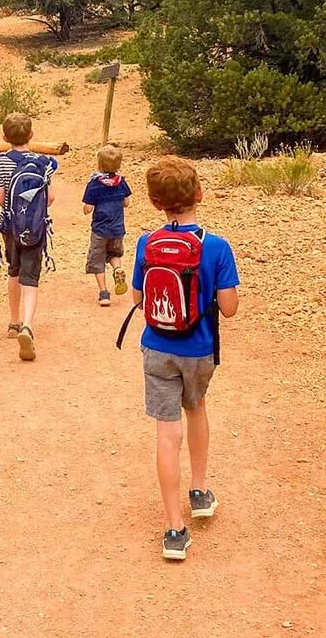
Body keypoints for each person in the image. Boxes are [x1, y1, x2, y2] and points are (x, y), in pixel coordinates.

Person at [131, 156, 239, 561]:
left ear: (156, 203)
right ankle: (199, 490)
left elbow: (140, 299)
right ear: (199, 194)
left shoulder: (146, 243)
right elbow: (229, 308)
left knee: (165, 435)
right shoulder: (216, 246)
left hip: (157, 347)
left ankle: (175, 530)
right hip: (199, 350)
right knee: (197, 409)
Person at [0, 112, 55, 362]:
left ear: (4, 137)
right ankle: (28, 325)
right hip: (35, 228)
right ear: (31, 135)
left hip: (9, 226)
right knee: (31, 277)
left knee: (14, 271)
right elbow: (49, 199)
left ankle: (13, 322)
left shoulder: (1, 161)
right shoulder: (43, 162)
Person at [82, 144, 131, 306]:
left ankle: (104, 293)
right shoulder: (121, 182)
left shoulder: (95, 184)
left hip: (100, 230)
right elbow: (126, 203)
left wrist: (86, 207)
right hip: (117, 229)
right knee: (114, 254)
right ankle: (118, 269)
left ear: (99, 165)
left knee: (98, 261)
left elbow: (88, 209)